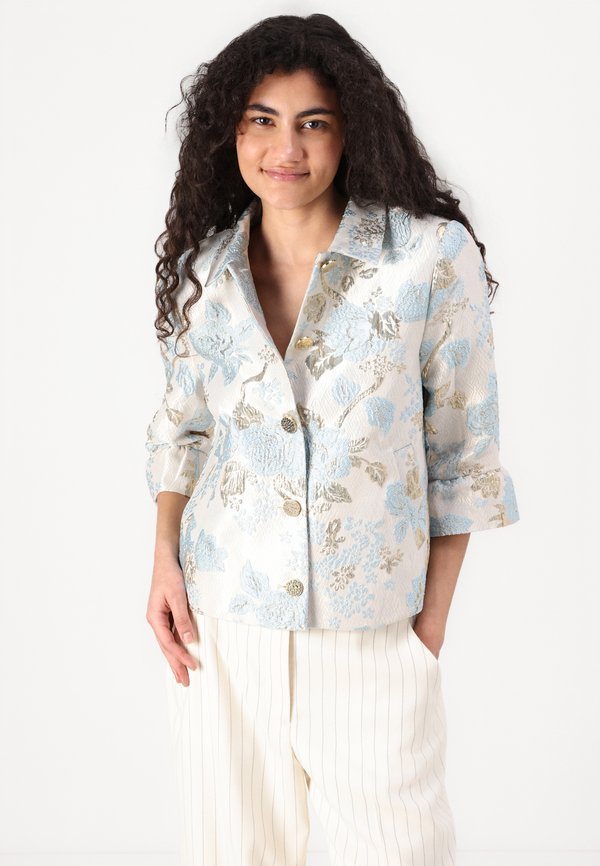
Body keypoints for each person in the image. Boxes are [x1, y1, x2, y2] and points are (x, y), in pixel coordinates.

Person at [144, 13, 520, 866]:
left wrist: (424, 633)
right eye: (262, 120)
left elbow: (463, 453)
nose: (287, 148)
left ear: (352, 131)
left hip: (373, 630)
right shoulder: (208, 270)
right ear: (230, 132)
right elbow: (182, 431)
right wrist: (164, 559)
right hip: (222, 624)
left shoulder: (428, 258)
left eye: (313, 122)